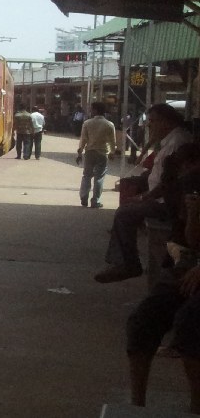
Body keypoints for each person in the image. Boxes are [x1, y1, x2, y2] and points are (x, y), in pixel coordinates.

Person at [124, 161, 200, 412]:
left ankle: (196, 407)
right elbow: (192, 240)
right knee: (144, 318)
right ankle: (137, 405)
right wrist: (194, 214)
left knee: (190, 322)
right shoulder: (193, 181)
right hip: (193, 266)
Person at [96, 104, 196, 283]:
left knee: (124, 214)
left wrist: (145, 197)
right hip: (158, 196)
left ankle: (129, 264)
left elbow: (169, 181)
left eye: (152, 121)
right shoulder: (168, 140)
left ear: (166, 121)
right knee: (128, 204)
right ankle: (124, 261)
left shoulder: (177, 142)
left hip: (166, 202)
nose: (149, 126)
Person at [77, 102, 118, 208]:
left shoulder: (87, 123)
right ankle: (95, 201)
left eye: (91, 109)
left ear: (95, 110)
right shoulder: (109, 124)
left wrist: (80, 152)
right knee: (99, 177)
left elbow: (83, 139)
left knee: (87, 175)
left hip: (90, 152)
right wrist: (112, 152)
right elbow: (112, 140)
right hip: (103, 153)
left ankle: (84, 198)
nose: (90, 110)